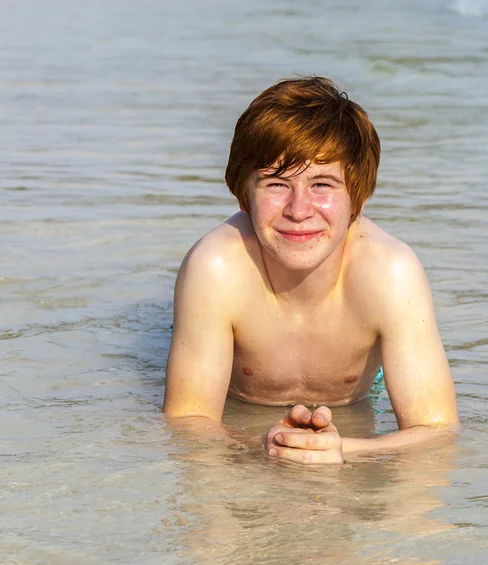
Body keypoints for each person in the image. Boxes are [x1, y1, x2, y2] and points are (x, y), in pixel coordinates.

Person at [163, 76, 459, 464]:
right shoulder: (216, 267)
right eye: (276, 184)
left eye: (322, 184)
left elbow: (438, 433)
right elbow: (186, 421)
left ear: (358, 197)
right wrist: (261, 444)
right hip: (244, 413)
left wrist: (343, 448)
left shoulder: (391, 273)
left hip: (354, 407)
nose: (299, 211)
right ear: (244, 196)